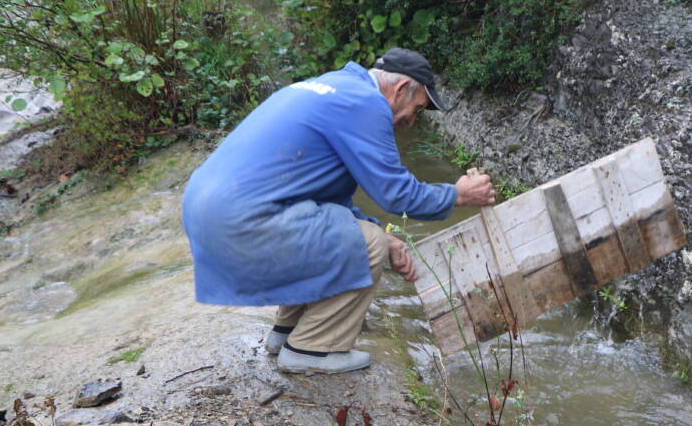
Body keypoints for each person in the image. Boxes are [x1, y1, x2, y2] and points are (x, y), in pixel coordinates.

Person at [181, 48, 495, 374]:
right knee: (369, 242)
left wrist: (391, 241)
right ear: (402, 89)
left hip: (208, 213)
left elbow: (328, 201)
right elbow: (398, 195)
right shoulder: (366, 104)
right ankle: (311, 350)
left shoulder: (334, 87)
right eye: (416, 109)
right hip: (240, 220)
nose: (411, 121)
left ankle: (286, 332)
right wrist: (457, 194)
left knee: (351, 231)